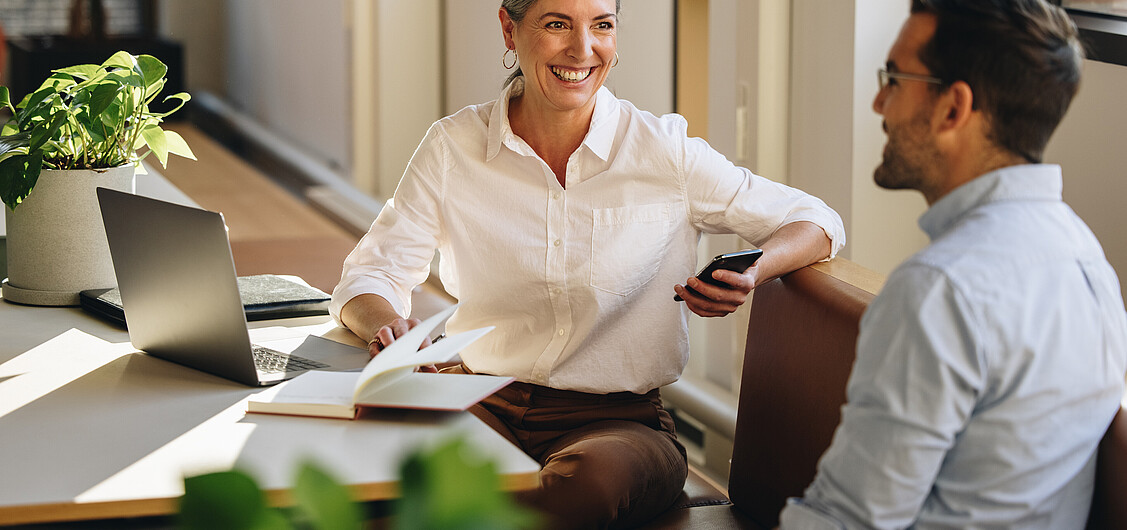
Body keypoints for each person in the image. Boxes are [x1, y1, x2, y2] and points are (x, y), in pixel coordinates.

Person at [331, 0, 844, 527]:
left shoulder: (663, 153)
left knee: (580, 493)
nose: (582, 49)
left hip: (621, 426)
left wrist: (756, 270)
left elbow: (817, 221)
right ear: (510, 29)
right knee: (375, 474)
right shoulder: (451, 148)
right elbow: (371, 274)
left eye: (602, 26)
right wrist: (387, 323)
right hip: (479, 400)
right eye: (557, 24)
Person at [779, 1, 1127, 528]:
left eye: (894, 78)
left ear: (952, 109)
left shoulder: (940, 289)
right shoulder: (1089, 262)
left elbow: (846, 520)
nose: (878, 102)